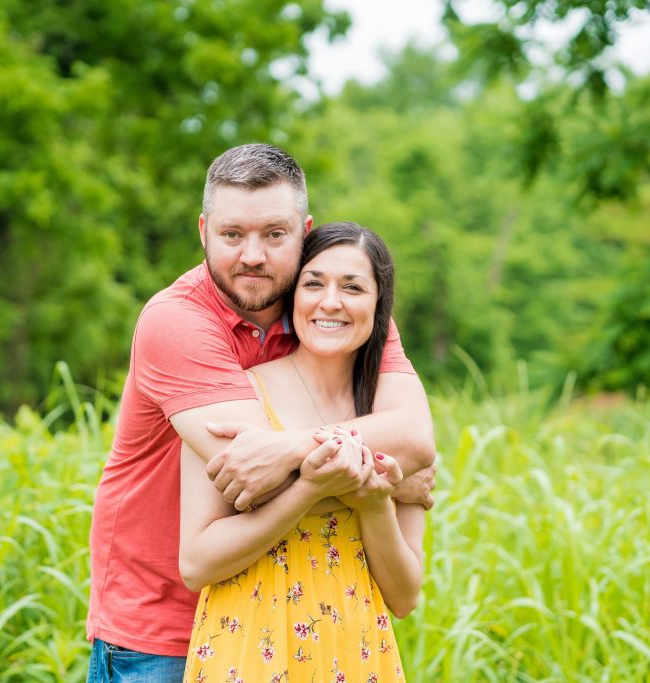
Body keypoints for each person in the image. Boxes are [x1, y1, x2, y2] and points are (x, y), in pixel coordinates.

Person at [87, 144, 435, 683]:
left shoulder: (335, 302)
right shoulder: (176, 322)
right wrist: (390, 485)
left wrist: (292, 448)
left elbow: (414, 436)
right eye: (232, 235)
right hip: (162, 632)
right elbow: (250, 476)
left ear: (303, 230)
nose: (252, 255)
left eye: (274, 234)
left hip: (313, 635)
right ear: (203, 231)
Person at [180, 222, 424, 682]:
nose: (330, 302)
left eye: (352, 287)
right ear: (293, 297)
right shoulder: (240, 396)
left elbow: (405, 596)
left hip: (355, 655)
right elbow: (196, 563)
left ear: (379, 305)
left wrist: (374, 504)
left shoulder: (389, 419)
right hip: (250, 652)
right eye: (313, 284)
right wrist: (310, 488)